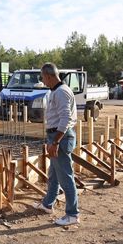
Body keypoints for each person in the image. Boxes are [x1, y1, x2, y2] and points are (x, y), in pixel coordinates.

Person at [33, 62, 80, 226]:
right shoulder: (56, 91)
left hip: (60, 137)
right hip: (56, 136)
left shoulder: (61, 92)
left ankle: (72, 214)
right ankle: (47, 204)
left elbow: (66, 119)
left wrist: (55, 142)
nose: (43, 81)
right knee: (53, 174)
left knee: (66, 177)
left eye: (43, 77)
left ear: (48, 76)